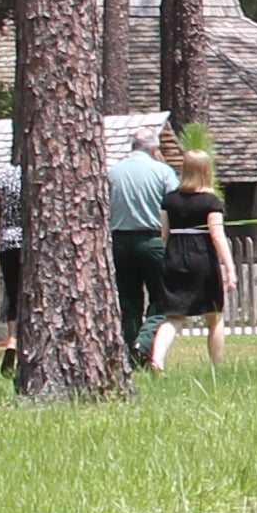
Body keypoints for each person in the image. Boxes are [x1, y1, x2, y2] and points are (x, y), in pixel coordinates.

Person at [106, 125, 180, 370]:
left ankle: (131, 354)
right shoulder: (162, 172)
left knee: (128, 301)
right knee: (162, 298)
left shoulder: (113, 172)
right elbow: (174, 205)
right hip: (152, 240)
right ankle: (144, 342)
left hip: (120, 240)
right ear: (154, 147)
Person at [159, 137, 236, 372]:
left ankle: (157, 360)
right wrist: (230, 267)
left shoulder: (169, 200)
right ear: (206, 171)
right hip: (201, 259)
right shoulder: (210, 202)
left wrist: (168, 256)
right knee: (214, 317)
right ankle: (216, 367)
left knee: (173, 317)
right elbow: (217, 236)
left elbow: (164, 233)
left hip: (174, 256)